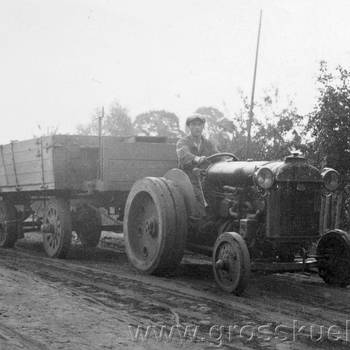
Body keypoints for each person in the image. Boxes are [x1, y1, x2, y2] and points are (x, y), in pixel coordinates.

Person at [176, 114, 218, 212]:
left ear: (203, 126)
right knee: (197, 199)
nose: (197, 127)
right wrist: (196, 159)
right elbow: (183, 155)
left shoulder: (208, 143)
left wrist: (226, 161)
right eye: (194, 125)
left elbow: (217, 155)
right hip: (188, 178)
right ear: (189, 127)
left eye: (199, 125)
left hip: (206, 176)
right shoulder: (182, 142)